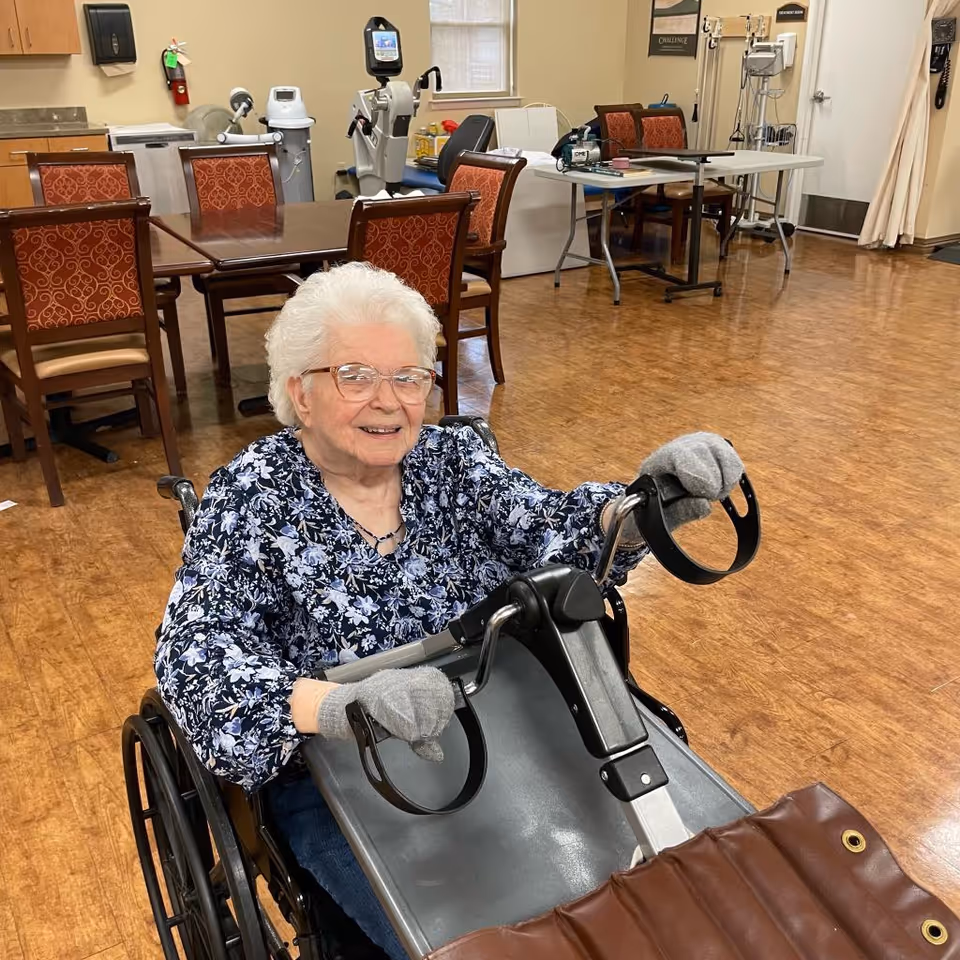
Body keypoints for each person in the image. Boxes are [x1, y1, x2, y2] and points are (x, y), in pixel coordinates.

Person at [155, 262, 743, 960]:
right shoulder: (252, 495)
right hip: (348, 766)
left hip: (510, 716)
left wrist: (645, 505)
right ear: (299, 394)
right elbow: (194, 653)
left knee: (670, 883)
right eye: (355, 376)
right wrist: (338, 707)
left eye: (409, 377)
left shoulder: (451, 460)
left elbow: (552, 531)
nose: (390, 401)